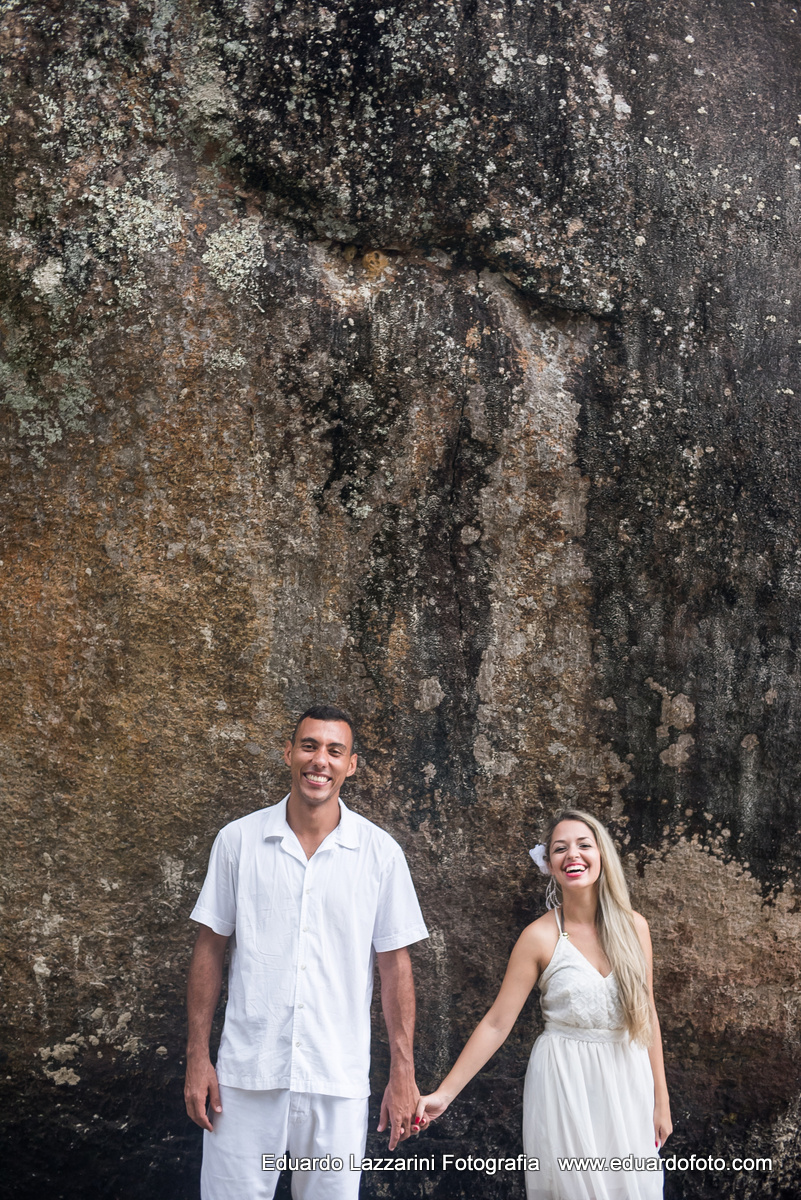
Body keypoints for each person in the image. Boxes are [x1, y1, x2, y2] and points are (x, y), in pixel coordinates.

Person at [184, 704, 429, 1200]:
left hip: (336, 1078)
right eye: (310, 746)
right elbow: (210, 949)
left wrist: (403, 1071)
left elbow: (394, 965)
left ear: (351, 764)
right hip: (246, 1078)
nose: (321, 760)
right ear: (289, 754)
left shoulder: (380, 854)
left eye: (335, 751)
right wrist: (197, 1056)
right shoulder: (238, 841)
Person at [414, 808, 672, 1199]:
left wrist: (661, 1100)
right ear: (549, 864)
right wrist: (444, 1095)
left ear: (602, 855)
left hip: (628, 1079)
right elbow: (497, 1023)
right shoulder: (539, 937)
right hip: (565, 1081)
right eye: (560, 848)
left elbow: (647, 1012)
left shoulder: (635, 927)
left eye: (584, 845)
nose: (573, 855)